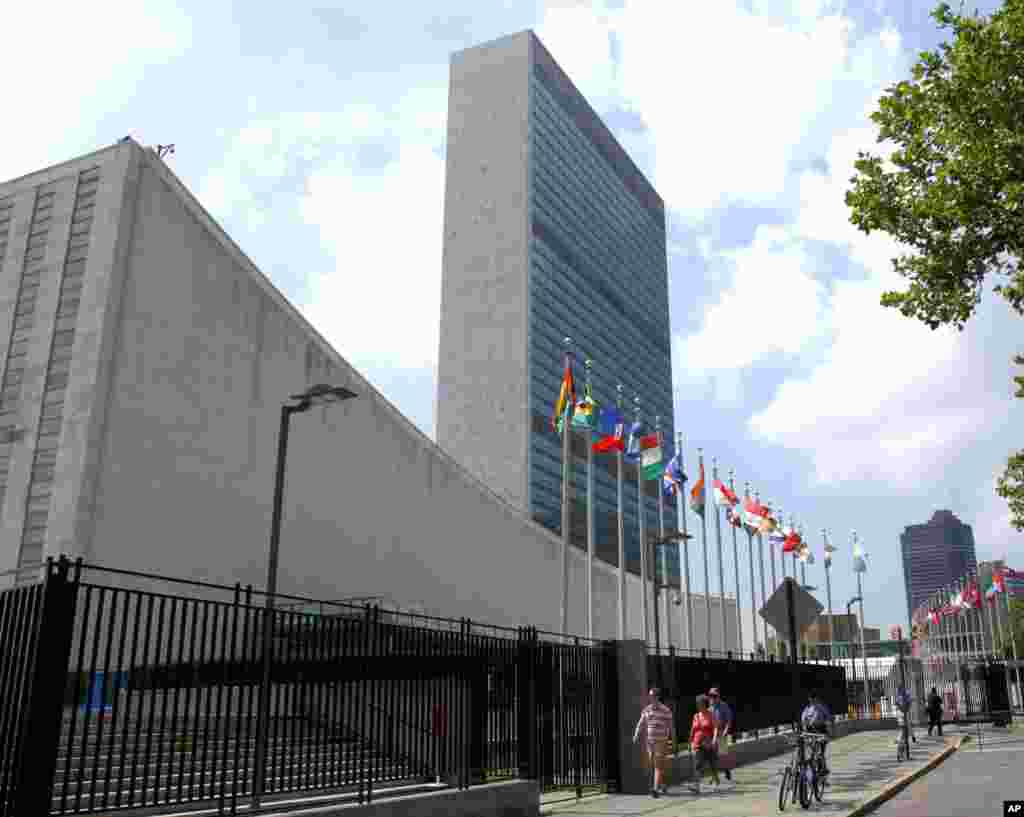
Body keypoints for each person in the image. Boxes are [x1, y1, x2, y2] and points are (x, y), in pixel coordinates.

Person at [632, 687, 675, 798]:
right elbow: (641, 723)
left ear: (657, 697)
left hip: (661, 741)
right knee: (653, 762)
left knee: (657, 764)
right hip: (650, 742)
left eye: (652, 696)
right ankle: (663, 783)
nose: (650, 698)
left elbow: (671, 727)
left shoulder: (665, 710)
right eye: (649, 696)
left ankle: (655, 789)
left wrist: (673, 740)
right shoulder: (647, 709)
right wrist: (636, 734)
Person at [689, 694, 720, 794]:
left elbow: (715, 727)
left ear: (704, 704)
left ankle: (716, 779)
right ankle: (696, 786)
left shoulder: (711, 715)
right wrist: (690, 741)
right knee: (697, 765)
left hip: (708, 743)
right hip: (697, 743)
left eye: (700, 703)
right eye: (698, 703)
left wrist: (714, 739)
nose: (698, 705)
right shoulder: (696, 716)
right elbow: (693, 730)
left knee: (712, 764)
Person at [708, 687, 736, 788]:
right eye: (711, 696)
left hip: (721, 733)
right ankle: (714, 776)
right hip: (712, 735)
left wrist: (725, 731)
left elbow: (729, 720)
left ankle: (726, 769)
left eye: (714, 696)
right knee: (712, 756)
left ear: (718, 696)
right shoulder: (710, 707)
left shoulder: (724, 706)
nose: (712, 698)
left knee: (723, 755)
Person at [800, 690, 833, 777]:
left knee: (820, 752)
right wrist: (804, 728)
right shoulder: (807, 709)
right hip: (810, 732)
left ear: (816, 699)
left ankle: (823, 768)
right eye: (810, 699)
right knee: (811, 752)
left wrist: (829, 731)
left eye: (813, 699)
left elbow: (829, 718)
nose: (812, 701)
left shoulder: (822, 707)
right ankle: (813, 768)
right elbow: (803, 720)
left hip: (821, 731)